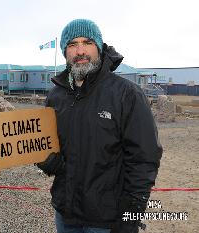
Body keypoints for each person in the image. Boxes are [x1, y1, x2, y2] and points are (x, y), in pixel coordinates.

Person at [38, 19, 162, 233]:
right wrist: (47, 160)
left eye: (87, 42)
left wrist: (131, 215)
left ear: (99, 47)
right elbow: (47, 143)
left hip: (108, 219)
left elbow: (144, 158)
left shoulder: (126, 94)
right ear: (65, 52)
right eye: (72, 44)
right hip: (66, 213)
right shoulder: (56, 96)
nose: (80, 51)